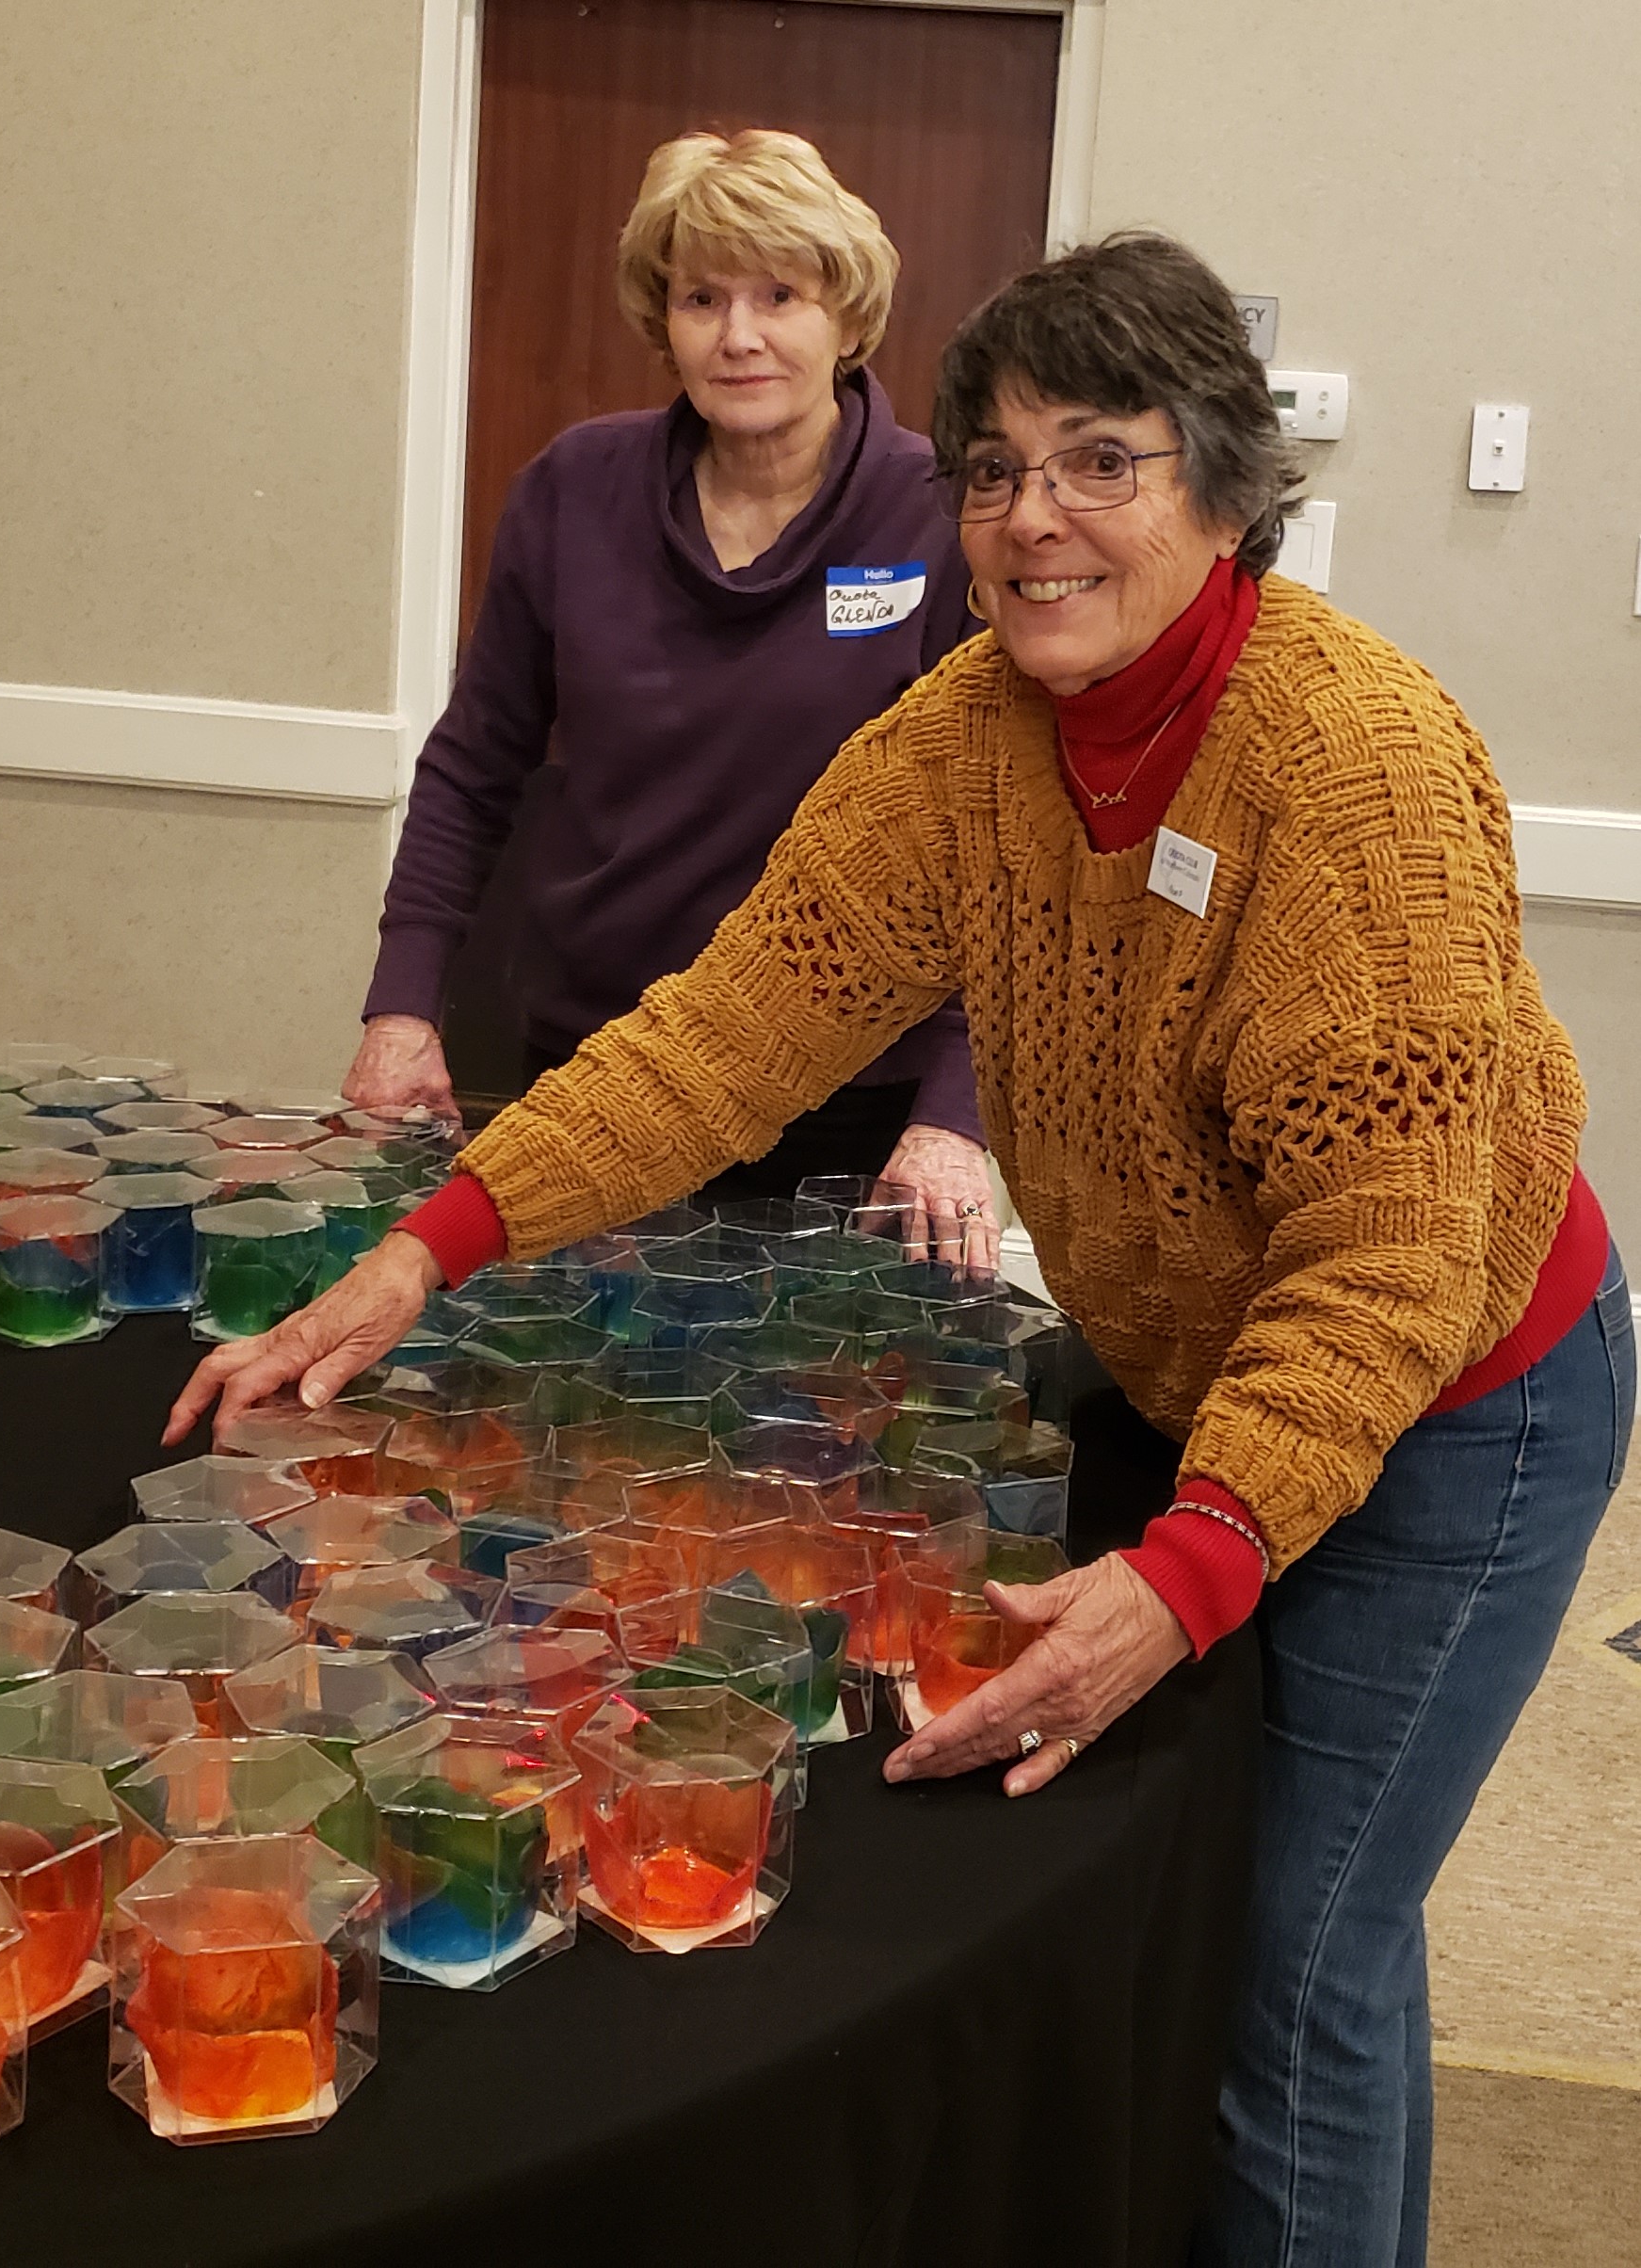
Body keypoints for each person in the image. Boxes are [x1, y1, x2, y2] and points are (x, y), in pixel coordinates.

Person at [171, 233, 1633, 2266]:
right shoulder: (962, 741)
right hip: (1200, 1355)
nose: (1034, 517)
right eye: (996, 468)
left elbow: (1382, 1267)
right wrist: (431, 1243)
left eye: (1101, 461)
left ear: (1223, 492)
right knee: (1215, 1902)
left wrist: (1187, 1571)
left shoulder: (1349, 763)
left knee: (1298, 1950)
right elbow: (725, 1031)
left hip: (1468, 1395)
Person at [348, 127, 998, 1261]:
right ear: (663, 320)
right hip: (601, 1069)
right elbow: (470, 768)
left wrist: (954, 1112)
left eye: (779, 295)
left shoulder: (942, 514)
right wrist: (401, 1007)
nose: (738, 335)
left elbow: (997, 838)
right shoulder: (572, 489)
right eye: (701, 298)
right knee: (575, 1371)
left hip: (854, 1097)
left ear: (847, 316)